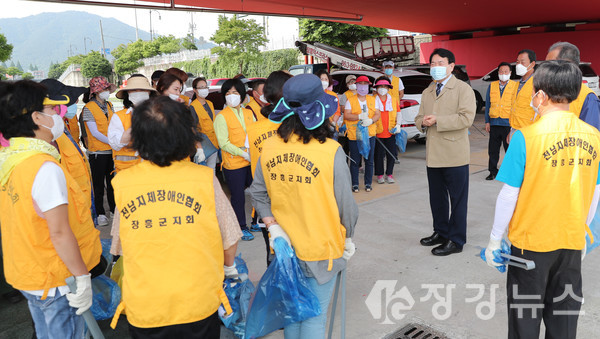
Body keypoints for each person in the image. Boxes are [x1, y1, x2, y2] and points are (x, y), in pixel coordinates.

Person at [483, 60, 600, 338]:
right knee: (563, 316)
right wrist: (583, 231)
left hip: (530, 246)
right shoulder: (594, 136)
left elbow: (509, 194)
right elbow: (595, 191)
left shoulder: (526, 137)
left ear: (541, 95)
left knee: (525, 318)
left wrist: (494, 240)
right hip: (571, 241)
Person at [109, 96, 242, 338]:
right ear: (185, 135)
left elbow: (119, 246)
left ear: (137, 138)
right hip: (197, 301)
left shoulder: (123, 183)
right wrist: (228, 267)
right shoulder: (203, 179)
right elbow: (230, 239)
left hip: (145, 306)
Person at [248, 74, 358, 338]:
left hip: (284, 250)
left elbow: (257, 193)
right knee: (314, 320)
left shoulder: (271, 146)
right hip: (321, 248)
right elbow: (347, 207)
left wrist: (273, 227)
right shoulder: (330, 150)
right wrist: (349, 237)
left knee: (295, 316)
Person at [0, 80, 102, 338]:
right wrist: (82, 278)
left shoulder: (12, 159)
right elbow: (58, 232)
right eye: (50, 112)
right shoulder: (43, 167)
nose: (56, 117)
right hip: (57, 280)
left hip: (31, 274)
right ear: (36, 118)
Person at [415, 48, 476, 256]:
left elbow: (466, 118)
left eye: (440, 63)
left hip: (454, 153)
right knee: (437, 198)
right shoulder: (428, 91)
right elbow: (419, 118)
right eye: (432, 64)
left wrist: (438, 120)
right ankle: (440, 231)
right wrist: (421, 123)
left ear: (451, 66)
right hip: (433, 154)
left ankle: (456, 240)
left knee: (457, 199)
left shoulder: (462, 89)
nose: (435, 67)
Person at [246, 70, 292, 265]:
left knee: (272, 253)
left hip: (265, 203)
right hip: (291, 200)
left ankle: (277, 292)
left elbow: (251, 157)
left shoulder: (254, 129)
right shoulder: (296, 127)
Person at [213, 78, 256, 241]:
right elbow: (223, 143)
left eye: (235, 93)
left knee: (258, 192)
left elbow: (253, 133)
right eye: (228, 93)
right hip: (234, 162)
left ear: (242, 95)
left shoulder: (248, 112)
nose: (232, 96)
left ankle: (256, 222)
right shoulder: (222, 117)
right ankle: (241, 227)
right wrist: (244, 154)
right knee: (238, 196)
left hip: (251, 160)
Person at [82, 76, 117, 227]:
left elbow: (114, 123)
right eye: (104, 89)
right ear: (96, 91)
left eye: (107, 89)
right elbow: (94, 132)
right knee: (98, 184)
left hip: (111, 152)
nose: (106, 92)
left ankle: (114, 210)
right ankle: (101, 213)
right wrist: (112, 141)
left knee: (112, 183)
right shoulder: (88, 108)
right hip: (97, 153)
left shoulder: (109, 104)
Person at [546, 41, 600, 131]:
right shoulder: (545, 91)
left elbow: (591, 138)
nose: (545, 68)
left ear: (567, 65)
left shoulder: (588, 98)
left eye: (550, 64)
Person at [108, 74, 156, 173]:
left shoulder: (158, 114)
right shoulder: (118, 117)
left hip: (153, 170)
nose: (138, 93)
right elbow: (116, 144)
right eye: (134, 90)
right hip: (127, 172)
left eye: (142, 90)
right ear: (128, 93)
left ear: (149, 93)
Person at [344, 75, 380, 192]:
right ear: (357, 86)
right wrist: (358, 116)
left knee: (369, 161)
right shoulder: (351, 100)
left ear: (369, 86)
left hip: (370, 135)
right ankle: (355, 184)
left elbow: (377, 114)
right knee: (355, 160)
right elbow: (347, 115)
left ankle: (368, 183)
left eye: (366, 85)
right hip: (355, 135)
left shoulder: (373, 100)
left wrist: (371, 120)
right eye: (361, 85)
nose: (363, 87)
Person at [484, 62, 516, 180]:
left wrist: (514, 125)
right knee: (493, 150)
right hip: (494, 123)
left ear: (510, 73)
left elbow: (516, 106)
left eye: (506, 72)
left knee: (509, 150)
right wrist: (487, 122)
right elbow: (488, 104)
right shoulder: (492, 86)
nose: (503, 74)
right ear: (498, 73)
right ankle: (492, 171)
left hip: (508, 124)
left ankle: (511, 173)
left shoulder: (515, 86)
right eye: (501, 72)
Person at [373, 77, 401, 184]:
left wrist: (398, 124)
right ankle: (380, 175)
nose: (382, 89)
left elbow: (398, 113)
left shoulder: (393, 100)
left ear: (389, 88)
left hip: (390, 131)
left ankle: (389, 174)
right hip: (377, 132)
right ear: (376, 88)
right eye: (380, 86)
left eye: (385, 86)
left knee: (391, 154)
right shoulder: (372, 100)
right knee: (378, 155)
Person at [190, 77, 219, 169]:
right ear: (195, 90)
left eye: (206, 87)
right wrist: (199, 148)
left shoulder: (210, 103)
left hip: (214, 142)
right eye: (201, 87)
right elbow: (193, 128)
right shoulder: (193, 107)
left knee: (212, 169)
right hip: (202, 145)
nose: (204, 89)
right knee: (203, 170)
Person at [510, 49, 537, 130]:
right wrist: (511, 129)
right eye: (517, 62)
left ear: (532, 64)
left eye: (523, 62)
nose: (519, 65)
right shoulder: (518, 84)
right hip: (515, 128)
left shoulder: (537, 84)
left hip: (529, 131)